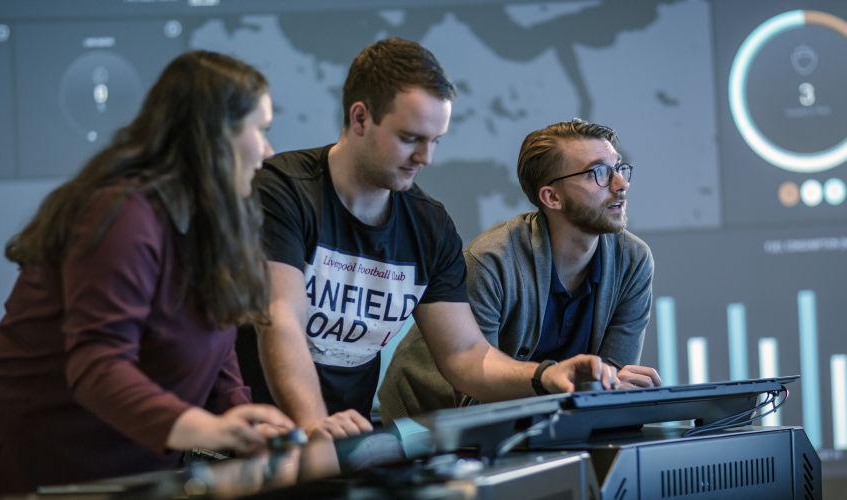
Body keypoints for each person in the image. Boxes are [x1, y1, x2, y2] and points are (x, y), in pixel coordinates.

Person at [0, 50, 294, 500]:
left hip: (115, 452)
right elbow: (98, 364)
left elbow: (216, 347)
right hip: (29, 444)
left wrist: (246, 421)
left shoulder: (209, 222)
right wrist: (211, 431)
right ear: (215, 136)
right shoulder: (125, 213)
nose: (268, 150)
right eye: (260, 130)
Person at [236, 39, 619, 437]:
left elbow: (466, 356)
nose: (426, 158)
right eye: (410, 138)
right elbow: (280, 319)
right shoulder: (282, 191)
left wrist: (545, 376)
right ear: (361, 118)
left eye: (435, 141)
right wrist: (313, 426)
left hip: (346, 441)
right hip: (250, 440)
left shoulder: (428, 225)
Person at [379, 119, 662, 421]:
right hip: (430, 421)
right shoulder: (490, 260)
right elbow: (475, 393)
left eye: (618, 168)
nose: (621, 184)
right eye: (598, 173)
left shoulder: (634, 261)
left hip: (535, 421)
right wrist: (568, 385)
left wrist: (616, 387)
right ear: (552, 197)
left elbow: (607, 383)